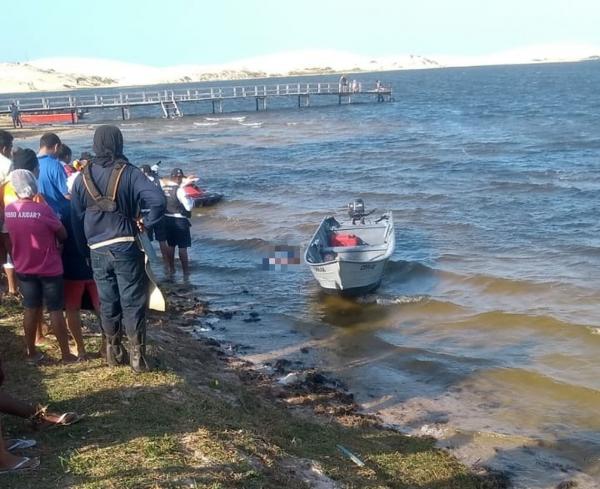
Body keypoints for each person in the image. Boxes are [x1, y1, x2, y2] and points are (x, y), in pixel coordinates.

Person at [70, 125, 165, 372]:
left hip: (96, 248)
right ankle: (138, 359)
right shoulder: (130, 173)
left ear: (95, 144)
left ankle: (113, 352)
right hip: (125, 245)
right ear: (119, 143)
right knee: (132, 302)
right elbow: (158, 200)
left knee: (107, 300)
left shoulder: (82, 176)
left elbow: (75, 219)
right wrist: (147, 223)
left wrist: (84, 251)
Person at [3, 170, 77, 363]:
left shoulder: (9, 211)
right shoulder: (43, 209)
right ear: (34, 186)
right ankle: (66, 354)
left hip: (24, 267)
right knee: (54, 309)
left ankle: (31, 353)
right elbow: (63, 234)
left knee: (30, 308)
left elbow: (7, 238)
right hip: (49, 267)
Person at [161, 168, 195, 277]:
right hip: (180, 220)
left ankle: (171, 269)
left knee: (170, 245)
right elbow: (188, 207)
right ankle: (186, 272)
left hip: (167, 219)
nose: (180, 180)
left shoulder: (163, 188)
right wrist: (192, 199)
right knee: (182, 248)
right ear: (178, 178)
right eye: (180, 178)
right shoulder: (180, 190)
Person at [140, 164, 169, 267]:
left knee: (146, 243)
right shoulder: (158, 181)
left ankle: (148, 267)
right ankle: (167, 266)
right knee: (162, 241)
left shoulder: (140, 183)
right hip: (158, 214)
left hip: (145, 216)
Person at [37, 133, 70, 221]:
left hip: (40, 212)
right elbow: (67, 194)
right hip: (60, 214)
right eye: (59, 149)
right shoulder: (55, 165)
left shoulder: (32, 162)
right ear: (56, 147)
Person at [0, 130, 17, 298]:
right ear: (5, 148)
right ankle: (13, 287)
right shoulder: (7, 164)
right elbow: (11, 189)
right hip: (4, 211)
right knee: (9, 251)